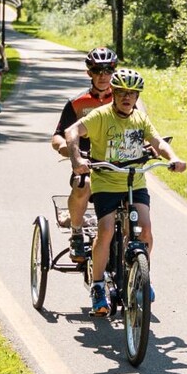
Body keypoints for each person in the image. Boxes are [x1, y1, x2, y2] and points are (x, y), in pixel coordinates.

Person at [64, 68, 187, 317]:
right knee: (106, 230)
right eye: (121, 92)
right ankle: (98, 285)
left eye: (132, 93)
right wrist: (77, 159)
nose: (126, 97)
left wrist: (173, 158)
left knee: (145, 229)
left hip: (134, 181)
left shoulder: (139, 119)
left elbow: (158, 141)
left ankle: (141, 276)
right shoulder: (101, 115)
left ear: (137, 96)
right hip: (106, 182)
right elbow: (71, 132)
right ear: (114, 93)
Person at [51, 47, 118, 261]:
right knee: (83, 184)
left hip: (117, 161)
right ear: (89, 72)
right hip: (87, 161)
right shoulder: (77, 103)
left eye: (108, 71)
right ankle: (77, 233)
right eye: (97, 70)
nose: (103, 76)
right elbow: (58, 136)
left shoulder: (123, 99)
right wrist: (67, 149)